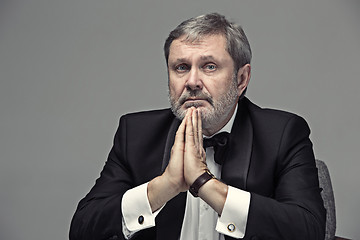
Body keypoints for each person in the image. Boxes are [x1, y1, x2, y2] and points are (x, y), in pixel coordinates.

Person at [69, 13, 326, 240]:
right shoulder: (135, 134)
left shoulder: (283, 133)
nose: (192, 81)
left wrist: (205, 183)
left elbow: (308, 229)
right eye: (181, 67)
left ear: (241, 79)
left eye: (209, 66)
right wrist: (164, 187)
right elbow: (82, 228)